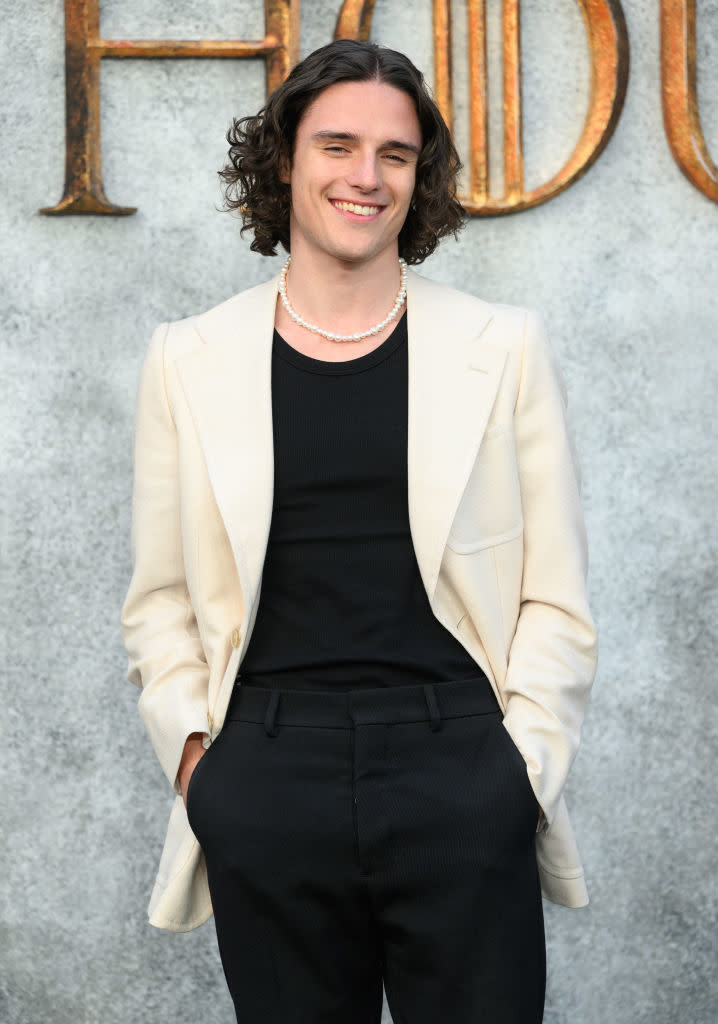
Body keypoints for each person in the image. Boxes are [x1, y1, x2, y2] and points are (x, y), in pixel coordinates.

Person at [121, 38, 598, 1024]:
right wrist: (201, 764)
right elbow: (160, 598)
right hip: (265, 771)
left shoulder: (502, 347)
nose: (365, 176)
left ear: (417, 177)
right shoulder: (187, 359)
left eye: (394, 153)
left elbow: (555, 594)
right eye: (337, 144)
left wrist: (517, 770)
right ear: (285, 160)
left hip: (459, 765)